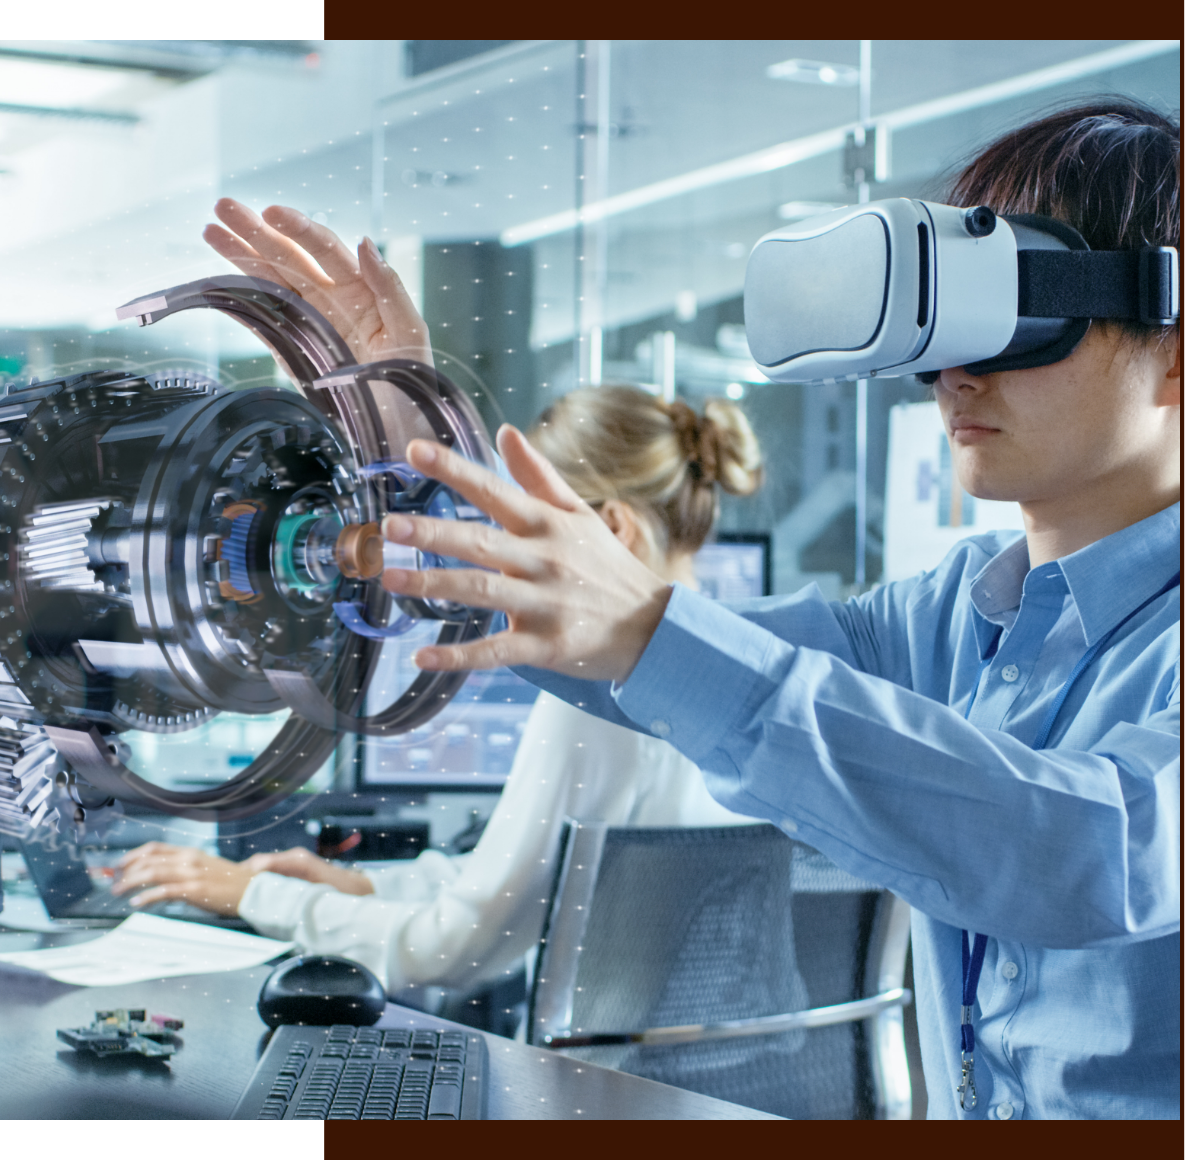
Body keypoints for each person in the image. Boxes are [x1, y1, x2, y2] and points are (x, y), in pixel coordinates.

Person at [362, 101, 1175, 1119]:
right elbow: (622, 652)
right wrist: (416, 470)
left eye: (1014, 315)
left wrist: (649, 627)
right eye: (945, 320)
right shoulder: (954, 618)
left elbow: (1096, 848)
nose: (954, 372)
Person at [114, 384, 764, 1002]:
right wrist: (361, 884)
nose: (511, 565)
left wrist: (247, 895)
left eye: (529, 533)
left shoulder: (602, 701)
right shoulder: (749, 672)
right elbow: (514, 890)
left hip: (613, 1102)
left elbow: (454, 949)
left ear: (614, 529)